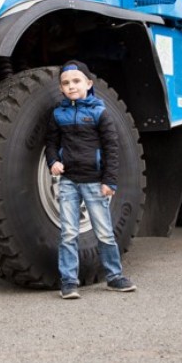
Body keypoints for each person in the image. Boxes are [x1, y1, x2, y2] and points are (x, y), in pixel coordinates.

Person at [44, 60, 136, 299]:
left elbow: (111, 148)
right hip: (68, 183)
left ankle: (114, 277)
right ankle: (69, 282)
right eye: (66, 83)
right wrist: (53, 161)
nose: (71, 86)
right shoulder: (57, 114)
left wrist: (110, 181)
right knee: (68, 234)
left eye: (76, 81)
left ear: (88, 83)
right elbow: (51, 143)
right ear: (61, 88)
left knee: (104, 232)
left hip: (95, 183)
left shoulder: (99, 112)